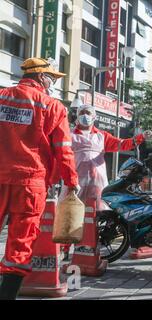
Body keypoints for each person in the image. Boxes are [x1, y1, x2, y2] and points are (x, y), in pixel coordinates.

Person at [0, 58, 79, 300]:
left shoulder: (2, 96)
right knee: (20, 243)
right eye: (52, 78)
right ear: (41, 77)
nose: (53, 83)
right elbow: (63, 149)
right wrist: (72, 182)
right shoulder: (53, 107)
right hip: (31, 183)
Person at [61, 104, 152, 212]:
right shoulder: (69, 135)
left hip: (97, 183)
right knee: (71, 214)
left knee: (99, 212)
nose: (85, 115)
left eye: (88, 113)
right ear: (77, 116)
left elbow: (122, 144)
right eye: (82, 113)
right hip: (75, 183)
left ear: (94, 117)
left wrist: (140, 137)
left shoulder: (102, 136)